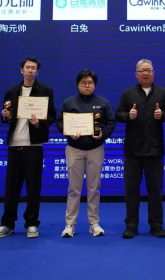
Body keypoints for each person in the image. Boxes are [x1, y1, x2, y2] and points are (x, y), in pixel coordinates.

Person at [0, 57, 56, 239]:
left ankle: (32, 223)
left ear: (37, 72)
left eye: (33, 68)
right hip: (14, 145)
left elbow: (51, 117)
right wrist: (5, 116)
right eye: (27, 67)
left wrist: (38, 123)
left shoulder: (45, 91)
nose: (30, 70)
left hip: (33, 145)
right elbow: (6, 116)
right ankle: (7, 224)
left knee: (33, 187)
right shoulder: (11, 92)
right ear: (21, 70)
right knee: (11, 187)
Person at [55, 69, 116, 238]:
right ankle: (70, 224)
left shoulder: (102, 102)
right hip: (74, 149)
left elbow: (111, 122)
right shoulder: (69, 102)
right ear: (78, 85)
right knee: (74, 188)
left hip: (95, 149)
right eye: (83, 83)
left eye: (90, 83)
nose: (87, 85)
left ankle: (94, 223)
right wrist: (68, 132)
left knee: (94, 188)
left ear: (94, 85)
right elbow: (59, 121)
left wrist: (103, 134)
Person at [116, 59, 165, 238]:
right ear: (136, 74)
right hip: (132, 150)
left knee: (155, 190)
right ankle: (131, 225)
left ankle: (156, 225)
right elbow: (118, 114)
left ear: (153, 73)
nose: (146, 73)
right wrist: (128, 115)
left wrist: (162, 115)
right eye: (142, 71)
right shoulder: (128, 93)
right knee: (131, 190)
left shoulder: (162, 93)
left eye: (149, 70)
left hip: (155, 150)